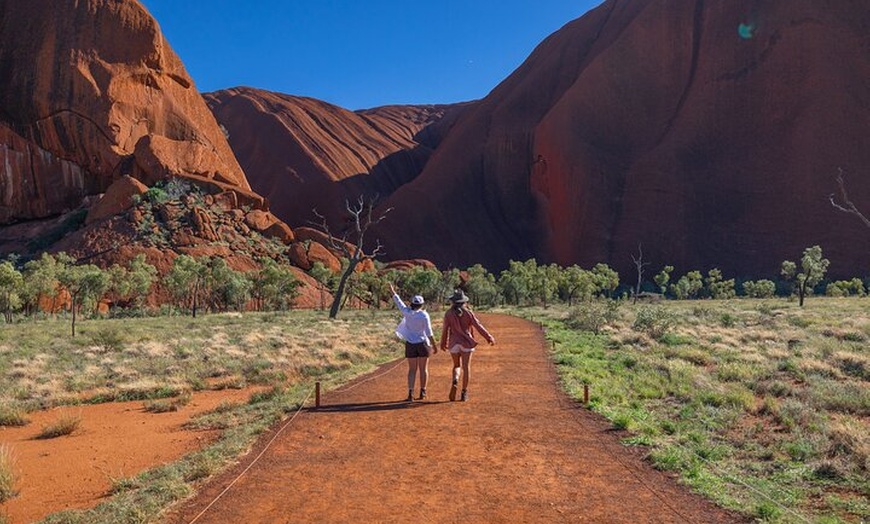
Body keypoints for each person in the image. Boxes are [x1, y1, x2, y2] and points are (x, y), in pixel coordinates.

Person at [440, 289, 495, 402]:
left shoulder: (448, 314)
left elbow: (445, 329)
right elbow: (478, 326)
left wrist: (443, 342)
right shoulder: (468, 313)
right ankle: (464, 393)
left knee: (456, 366)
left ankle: (455, 380)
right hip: (466, 343)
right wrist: (488, 337)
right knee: (466, 368)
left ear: (453, 302)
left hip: (454, 343)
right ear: (463, 301)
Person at [389, 283, 437, 401]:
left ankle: (410, 393)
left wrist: (392, 291)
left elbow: (399, 302)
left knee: (412, 370)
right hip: (422, 344)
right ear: (421, 304)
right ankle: (423, 392)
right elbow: (429, 332)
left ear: (413, 303)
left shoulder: (407, 312)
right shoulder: (424, 315)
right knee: (423, 369)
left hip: (410, 344)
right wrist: (434, 346)